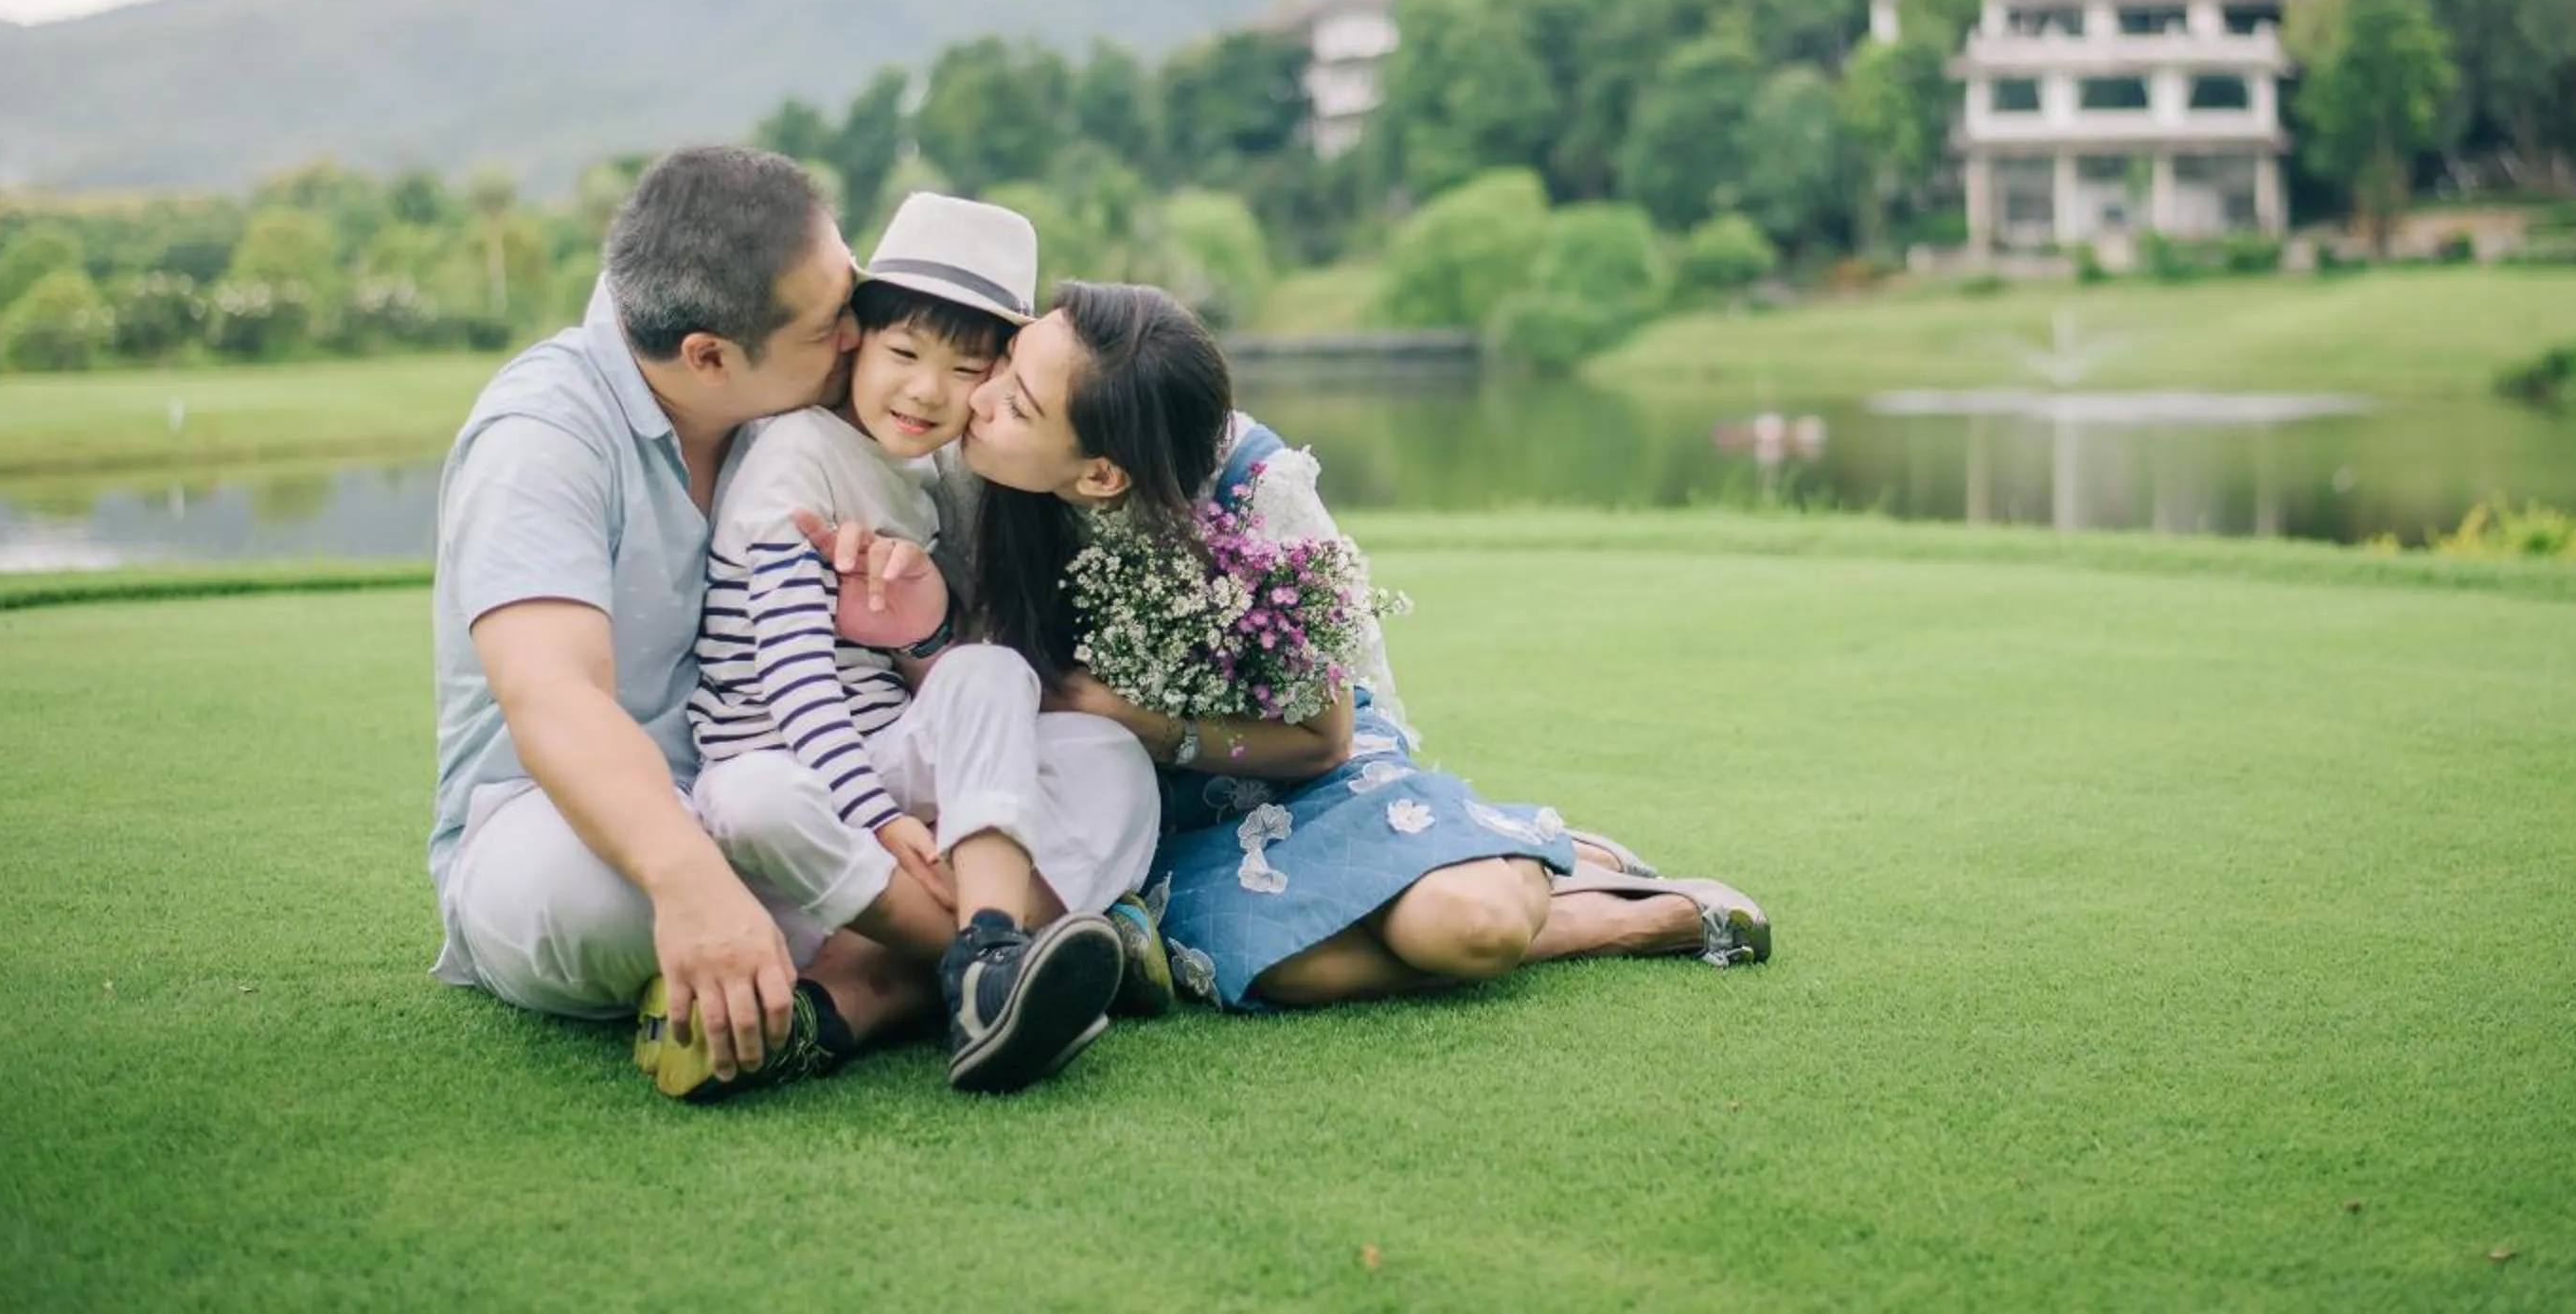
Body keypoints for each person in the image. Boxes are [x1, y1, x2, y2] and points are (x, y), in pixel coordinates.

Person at [948, 279, 1772, 1011]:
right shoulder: (986, 469)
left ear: (1103, 474)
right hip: (1152, 810)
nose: (979, 396)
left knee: (1466, 929)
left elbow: (1325, 739)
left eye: (1017, 400)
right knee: (1281, 971)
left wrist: (1140, 718)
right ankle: (1563, 861)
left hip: (1305, 771)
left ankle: (1623, 908)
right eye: (1007, 362)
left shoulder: (1252, 494)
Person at [427, 148, 973, 1104]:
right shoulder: (541, 435)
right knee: (598, 900)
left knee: (1041, 746)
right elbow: (551, 696)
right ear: (708, 357)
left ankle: (857, 971)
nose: (858, 338)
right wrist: (688, 878)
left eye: (850, 298)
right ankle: (970, 955)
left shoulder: (792, 404)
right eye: (830, 326)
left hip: (792, 789)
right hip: (577, 829)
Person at [676, 192, 1157, 1093]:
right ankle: (1003, 961)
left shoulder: (932, 470)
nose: (929, 390)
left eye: (967, 368)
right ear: (856, 337)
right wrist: (881, 816)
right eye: (903, 354)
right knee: (751, 799)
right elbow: (792, 681)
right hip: (794, 769)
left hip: (887, 762)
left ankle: (985, 949)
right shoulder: (797, 459)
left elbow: (962, 693)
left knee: (1097, 747)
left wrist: (932, 634)